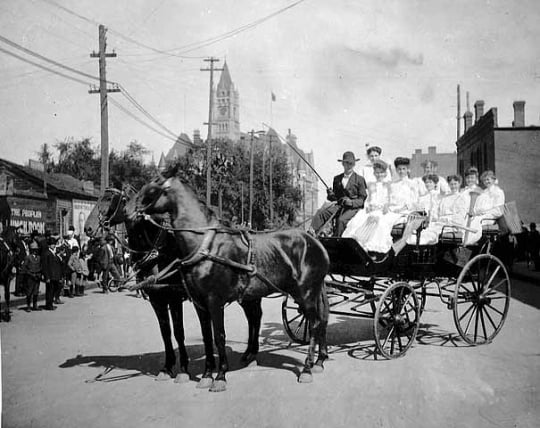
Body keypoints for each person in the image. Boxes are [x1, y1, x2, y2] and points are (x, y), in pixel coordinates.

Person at [310, 151, 367, 236]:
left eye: (351, 163)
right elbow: (335, 198)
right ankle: (311, 234)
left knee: (341, 220)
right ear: (343, 164)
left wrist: (351, 202)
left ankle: (337, 239)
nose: (349, 165)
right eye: (346, 163)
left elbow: (362, 200)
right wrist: (330, 194)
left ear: (354, 164)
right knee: (322, 214)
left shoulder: (359, 179)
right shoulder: (337, 179)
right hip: (339, 206)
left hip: (353, 208)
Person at [408, 175, 468, 245]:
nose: (453, 186)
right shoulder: (445, 198)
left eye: (455, 184)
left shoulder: (461, 198)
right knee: (427, 230)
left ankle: (420, 243)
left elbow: (460, 216)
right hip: (441, 223)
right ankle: (416, 243)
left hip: (452, 225)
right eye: (451, 184)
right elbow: (439, 212)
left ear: (459, 184)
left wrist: (447, 219)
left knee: (434, 233)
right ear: (448, 185)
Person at [41, 236, 64, 310]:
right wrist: (46, 277)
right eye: (52, 244)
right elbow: (45, 266)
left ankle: (50, 303)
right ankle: (48, 305)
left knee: (54, 290)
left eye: (54, 244)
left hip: (55, 276)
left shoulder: (55, 253)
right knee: (49, 291)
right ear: (49, 245)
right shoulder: (47, 253)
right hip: (50, 276)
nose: (53, 245)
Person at [20, 241, 42, 312]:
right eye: (33, 250)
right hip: (30, 276)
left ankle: (35, 305)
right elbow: (24, 268)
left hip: (37, 276)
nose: (35, 251)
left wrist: (39, 274)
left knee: (36, 292)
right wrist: (30, 274)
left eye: (36, 250)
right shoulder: (28, 258)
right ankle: (28, 306)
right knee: (29, 292)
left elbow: (41, 266)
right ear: (31, 250)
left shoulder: (39, 257)